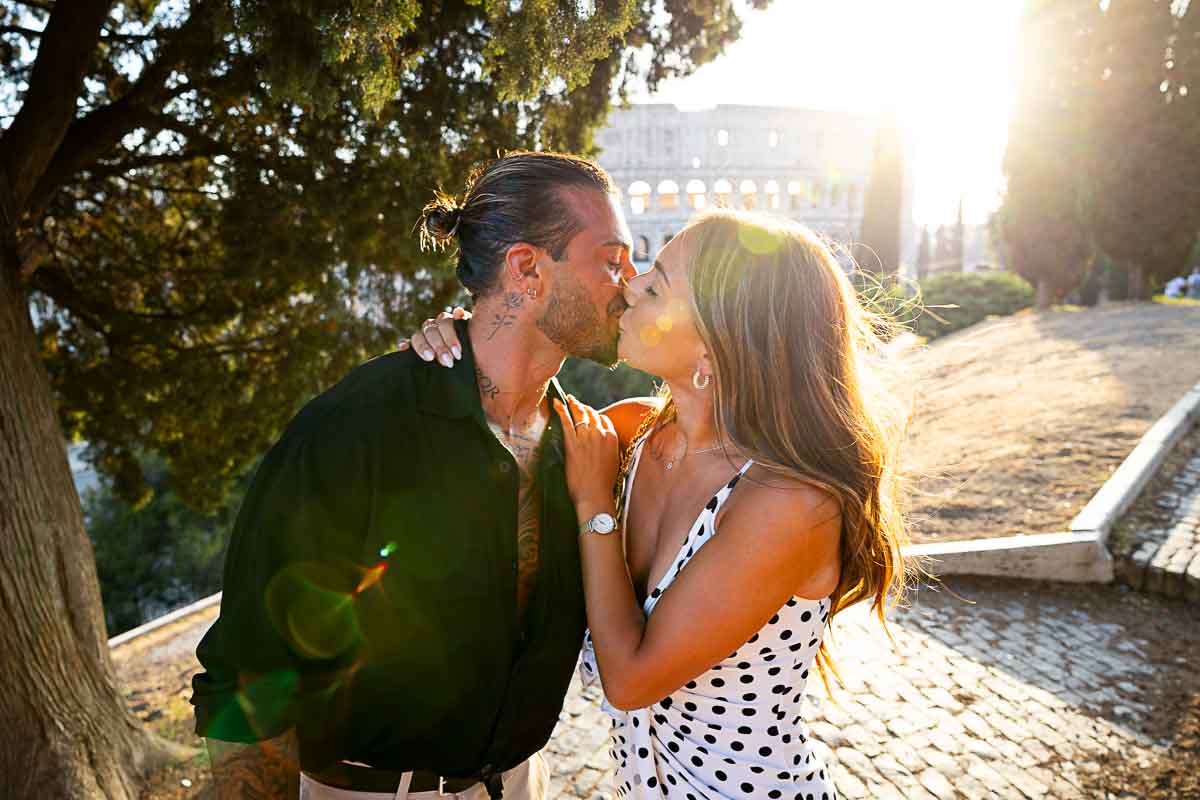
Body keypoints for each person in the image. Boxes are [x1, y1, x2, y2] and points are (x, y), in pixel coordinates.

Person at [401, 209, 910, 799]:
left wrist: (595, 506)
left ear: (716, 349)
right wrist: (465, 342)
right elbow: (502, 427)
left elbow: (631, 678)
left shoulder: (789, 501)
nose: (632, 282)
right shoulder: (630, 436)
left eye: (659, 283)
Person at [191, 150, 636, 800]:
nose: (629, 282)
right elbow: (244, 673)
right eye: (612, 260)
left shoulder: (588, 445)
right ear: (526, 269)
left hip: (521, 782)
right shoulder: (355, 427)